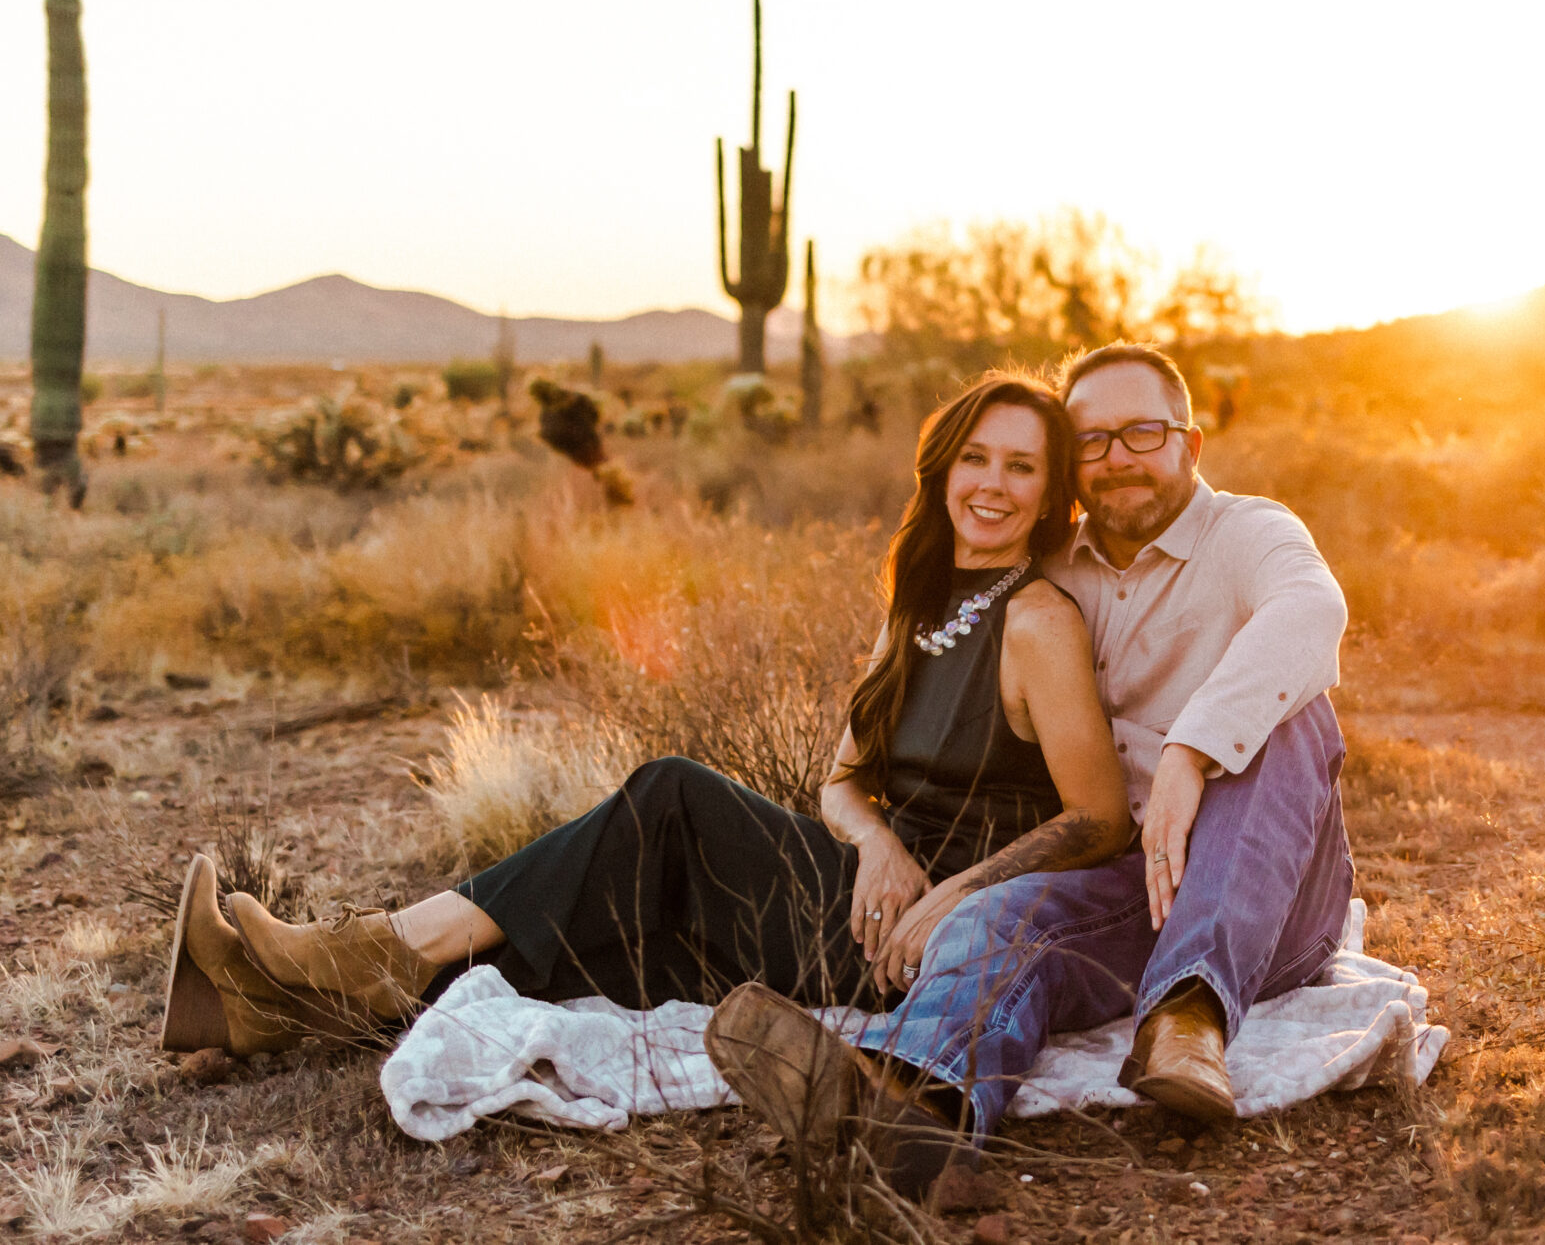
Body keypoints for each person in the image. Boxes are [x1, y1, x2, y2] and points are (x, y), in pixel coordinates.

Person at [154, 372, 1132, 1191]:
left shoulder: (1037, 622)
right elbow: (842, 782)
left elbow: (1098, 817)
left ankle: (363, 954)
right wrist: (874, 839)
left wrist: (950, 894)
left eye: (1021, 468)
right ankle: (266, 1009)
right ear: (943, 466)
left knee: (671, 793)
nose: (993, 485)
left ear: (1051, 497)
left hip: (917, 935)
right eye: (977, 458)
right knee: (628, 948)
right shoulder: (916, 603)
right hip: (862, 883)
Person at [712, 342, 1351, 1153]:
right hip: (1131, 888)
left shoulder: (1250, 531)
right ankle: (913, 1110)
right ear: (1070, 466)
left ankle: (1190, 1016)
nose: (1117, 458)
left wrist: (1192, 750)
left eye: (1143, 433)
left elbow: (1311, 611)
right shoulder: (1051, 573)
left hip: (1273, 899)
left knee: (1294, 711)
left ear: (1190, 444)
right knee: (998, 916)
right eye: (1092, 440)